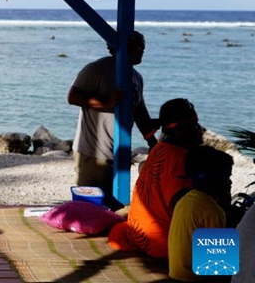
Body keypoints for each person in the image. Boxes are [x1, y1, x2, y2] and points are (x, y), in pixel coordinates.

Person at [67, 31, 157, 210]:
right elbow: (73, 96)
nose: (142, 52)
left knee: (115, 206)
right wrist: (105, 103)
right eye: (139, 47)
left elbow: (140, 114)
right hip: (93, 154)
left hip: (120, 154)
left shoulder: (136, 77)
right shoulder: (96, 69)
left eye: (143, 48)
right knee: (89, 207)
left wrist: (154, 143)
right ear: (125, 48)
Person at [108, 98, 205, 258]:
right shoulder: (182, 159)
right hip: (163, 243)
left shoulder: (159, 148)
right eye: (193, 125)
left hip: (139, 235)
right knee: (217, 220)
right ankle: (221, 273)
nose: (198, 130)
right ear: (179, 130)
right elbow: (182, 209)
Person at [168, 145, 233, 281]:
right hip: (194, 278)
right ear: (212, 181)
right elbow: (217, 267)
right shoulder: (212, 211)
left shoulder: (186, 199)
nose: (230, 183)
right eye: (227, 177)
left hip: (176, 274)